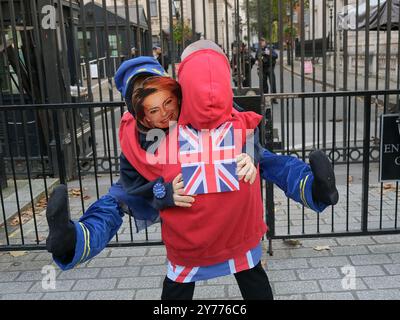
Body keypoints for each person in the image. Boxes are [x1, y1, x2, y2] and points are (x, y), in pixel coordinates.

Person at [46, 44, 338, 300]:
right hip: (190, 239)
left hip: (236, 232)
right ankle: (75, 239)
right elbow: (130, 195)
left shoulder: (206, 114)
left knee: (251, 274)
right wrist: (163, 192)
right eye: (150, 107)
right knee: (118, 207)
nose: (163, 113)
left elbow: (250, 140)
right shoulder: (142, 143)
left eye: (166, 99)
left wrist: (249, 154)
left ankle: (313, 187)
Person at [258, 37, 278, 103]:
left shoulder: (269, 48)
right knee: (264, 85)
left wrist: (268, 53)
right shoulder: (259, 50)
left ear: (265, 42)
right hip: (263, 68)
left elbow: (276, 55)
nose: (261, 43)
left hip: (270, 68)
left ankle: (274, 98)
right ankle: (266, 98)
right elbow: (256, 57)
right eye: (260, 42)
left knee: (272, 84)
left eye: (262, 42)